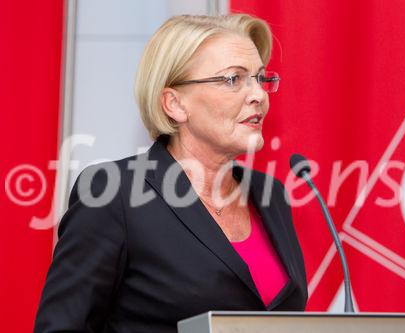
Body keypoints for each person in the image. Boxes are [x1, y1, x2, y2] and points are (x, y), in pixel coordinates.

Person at [34, 14, 308, 333]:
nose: (258, 95)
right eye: (234, 79)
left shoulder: (269, 194)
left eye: (260, 79)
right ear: (174, 104)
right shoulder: (113, 194)